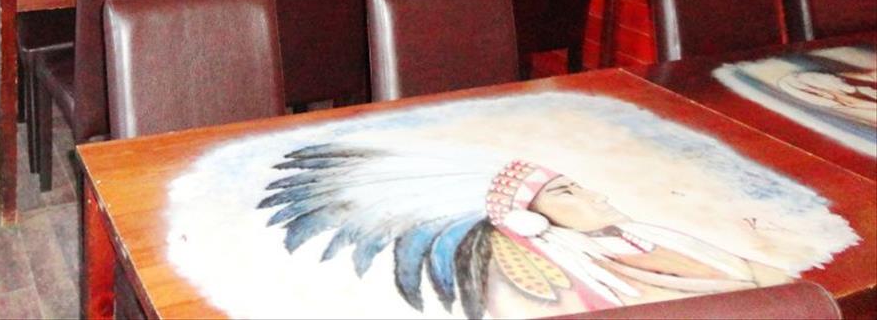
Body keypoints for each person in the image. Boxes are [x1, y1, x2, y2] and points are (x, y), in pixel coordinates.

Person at [262, 145, 791, 318]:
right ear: (527, 219)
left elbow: (779, 286)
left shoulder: (645, 243)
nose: (597, 196)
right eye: (566, 192)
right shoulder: (546, 274)